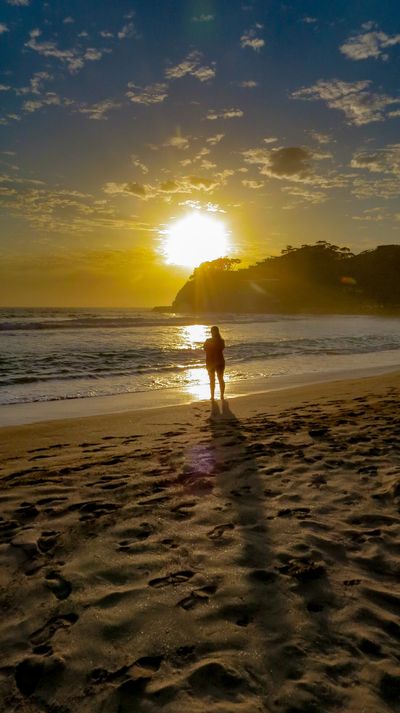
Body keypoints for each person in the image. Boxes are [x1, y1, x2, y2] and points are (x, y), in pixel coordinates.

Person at [203, 325, 225, 401]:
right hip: (213, 362)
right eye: (212, 331)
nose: (212, 333)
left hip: (216, 362)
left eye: (213, 331)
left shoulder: (219, 341)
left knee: (218, 379)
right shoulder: (220, 341)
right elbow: (205, 349)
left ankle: (220, 395)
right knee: (214, 379)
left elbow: (206, 349)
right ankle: (213, 396)